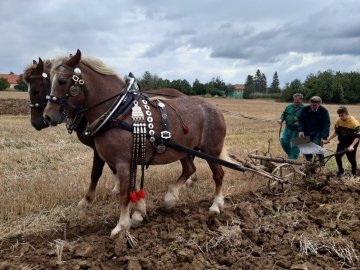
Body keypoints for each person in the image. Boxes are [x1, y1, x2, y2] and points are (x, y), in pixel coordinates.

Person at [323, 106, 360, 177]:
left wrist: (352, 146)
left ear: (347, 114)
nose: (341, 117)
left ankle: (353, 174)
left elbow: (358, 136)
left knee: (351, 159)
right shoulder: (338, 121)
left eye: (342, 115)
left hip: (351, 143)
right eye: (339, 115)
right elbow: (336, 132)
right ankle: (341, 171)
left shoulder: (354, 123)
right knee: (337, 156)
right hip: (342, 142)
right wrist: (329, 139)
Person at [298, 96, 330, 164]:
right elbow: (300, 120)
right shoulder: (305, 109)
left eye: (315, 105)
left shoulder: (324, 111)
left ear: (319, 104)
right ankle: (309, 163)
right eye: (312, 105)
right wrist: (301, 130)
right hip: (306, 131)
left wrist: (324, 137)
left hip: (318, 132)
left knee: (316, 146)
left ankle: (321, 162)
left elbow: (326, 124)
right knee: (306, 147)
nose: (313, 106)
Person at [278, 93, 304, 159]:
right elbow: (284, 114)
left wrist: (300, 123)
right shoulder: (288, 107)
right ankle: (290, 154)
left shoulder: (304, 109)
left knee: (295, 145)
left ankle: (293, 158)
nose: (295, 103)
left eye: (297, 101)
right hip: (288, 128)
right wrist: (281, 119)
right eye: (294, 101)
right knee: (283, 141)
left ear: (301, 100)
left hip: (298, 130)